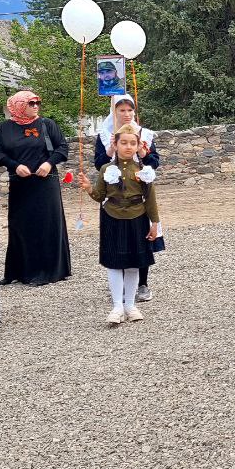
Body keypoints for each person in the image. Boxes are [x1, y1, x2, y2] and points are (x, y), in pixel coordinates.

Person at [81, 123, 160, 324]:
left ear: (137, 146)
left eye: (132, 143)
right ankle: (117, 306)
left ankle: (130, 305)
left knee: (134, 264)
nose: (128, 147)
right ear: (115, 145)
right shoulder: (107, 169)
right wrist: (89, 188)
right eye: (123, 143)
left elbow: (150, 198)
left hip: (137, 218)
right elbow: (100, 196)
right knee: (115, 264)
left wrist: (154, 223)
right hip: (112, 217)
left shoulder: (144, 170)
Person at [0, 90, 72, 286]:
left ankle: (47, 272)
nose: (36, 106)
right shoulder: (5, 128)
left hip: (45, 183)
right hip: (21, 184)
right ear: (19, 106)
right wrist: (15, 166)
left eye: (38, 102)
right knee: (20, 225)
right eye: (31, 103)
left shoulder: (47, 124)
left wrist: (49, 163)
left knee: (45, 225)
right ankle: (19, 271)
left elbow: (62, 148)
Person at [95, 95, 163, 303]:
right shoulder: (105, 135)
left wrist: (143, 152)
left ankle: (142, 283)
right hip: (115, 195)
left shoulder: (145, 135)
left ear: (134, 112)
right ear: (114, 112)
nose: (126, 114)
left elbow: (155, 163)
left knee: (140, 239)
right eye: (121, 110)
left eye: (129, 110)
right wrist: (109, 151)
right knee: (119, 240)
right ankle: (120, 284)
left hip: (138, 194)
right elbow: (99, 164)